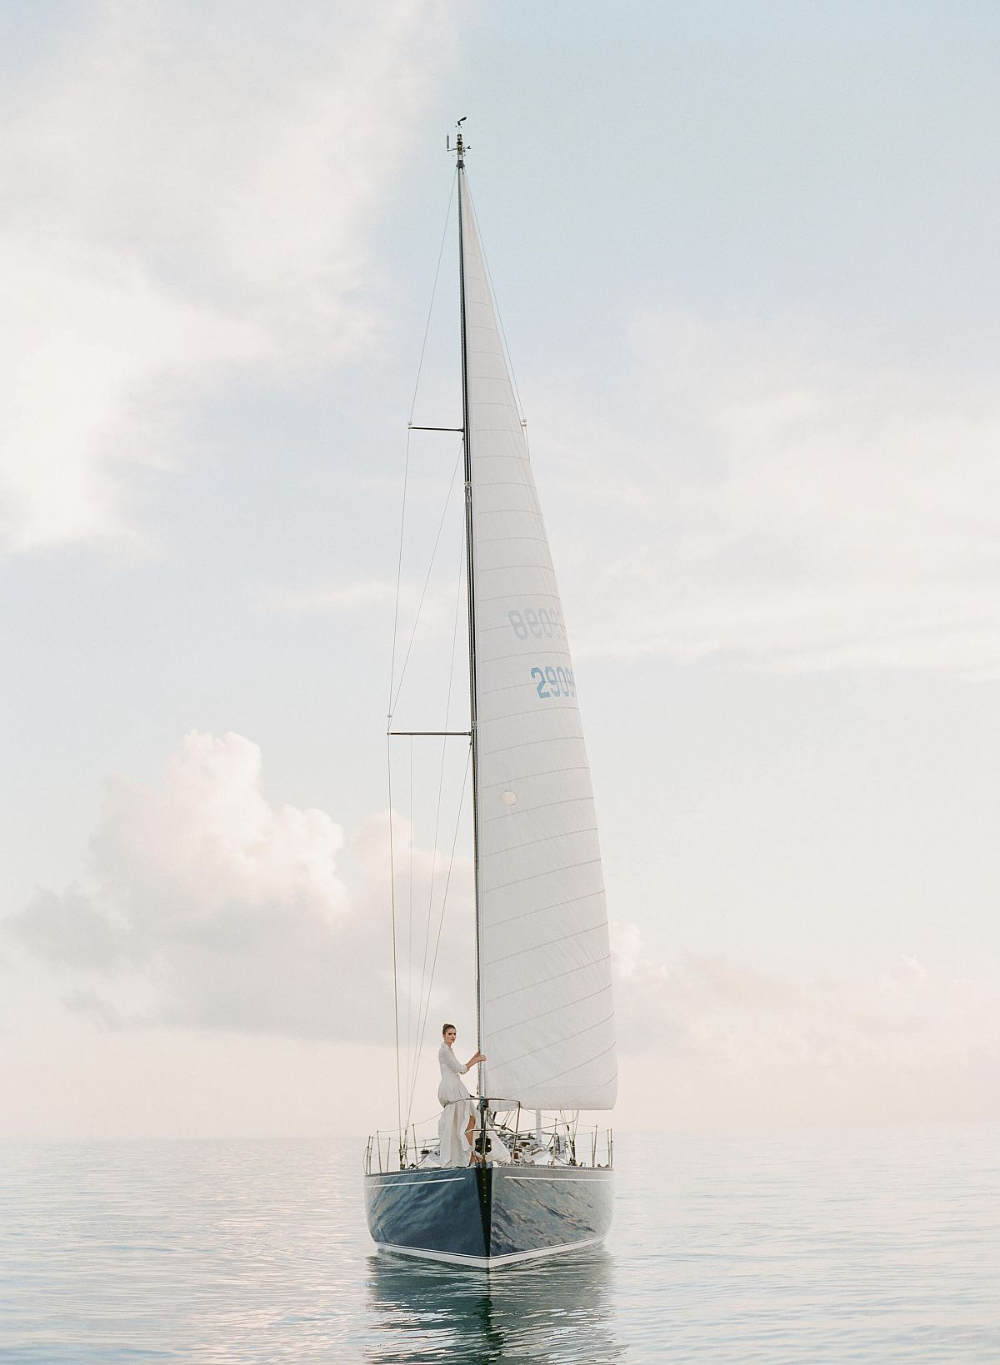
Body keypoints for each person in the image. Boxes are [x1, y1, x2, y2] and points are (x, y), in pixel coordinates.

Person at [437, 1023, 486, 1167]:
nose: (452, 1036)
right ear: (444, 1035)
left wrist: (474, 1057)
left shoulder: (448, 1050)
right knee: (465, 1119)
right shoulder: (444, 1051)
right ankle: (470, 1155)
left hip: (455, 1085)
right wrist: (476, 1060)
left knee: (468, 1119)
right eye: (450, 1034)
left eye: (454, 1034)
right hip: (452, 1087)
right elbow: (460, 1069)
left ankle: (470, 1154)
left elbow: (460, 1069)